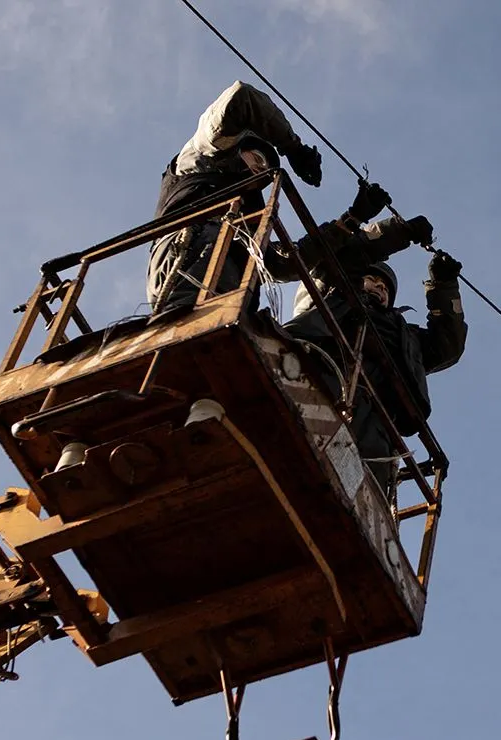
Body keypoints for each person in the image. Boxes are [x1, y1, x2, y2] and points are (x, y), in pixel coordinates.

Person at [283, 235, 468, 495]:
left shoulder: (407, 338)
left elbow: (448, 344)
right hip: (322, 382)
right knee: (295, 445)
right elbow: (336, 260)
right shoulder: (332, 295)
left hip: (376, 424)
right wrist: (389, 236)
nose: (380, 288)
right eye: (373, 280)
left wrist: (444, 286)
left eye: (385, 287)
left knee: (365, 483)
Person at [147, 79, 323, 312]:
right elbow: (241, 98)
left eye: (267, 169)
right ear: (239, 147)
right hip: (185, 258)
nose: (262, 169)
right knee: (187, 324)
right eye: (258, 159)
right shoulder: (203, 157)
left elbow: (282, 264)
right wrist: (292, 146)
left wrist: (350, 222)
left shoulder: (247, 218)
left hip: (228, 284)